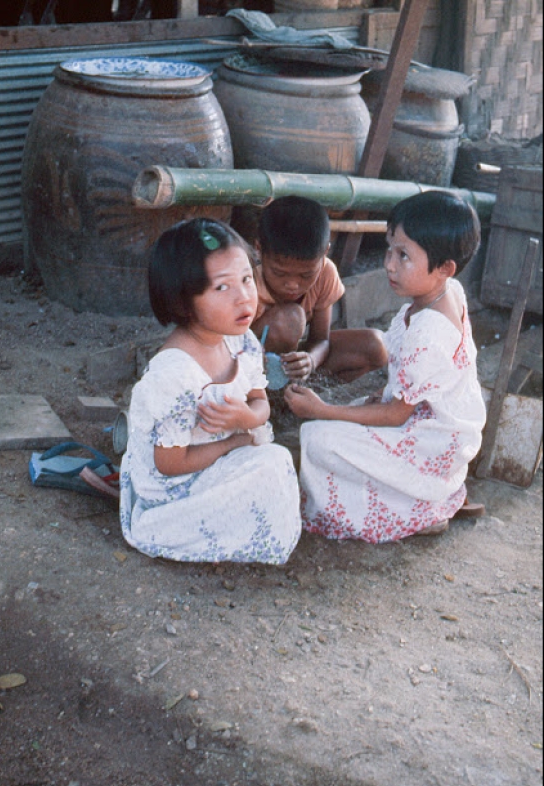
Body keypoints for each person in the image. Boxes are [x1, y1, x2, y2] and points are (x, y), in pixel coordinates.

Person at [284, 191, 487, 543]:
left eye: (404, 256)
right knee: (338, 418)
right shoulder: (447, 291)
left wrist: (322, 408)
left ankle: (416, 507)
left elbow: (396, 415)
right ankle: (423, 494)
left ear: (444, 269)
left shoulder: (430, 330)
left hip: (429, 445)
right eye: (390, 249)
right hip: (438, 430)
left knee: (316, 436)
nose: (389, 264)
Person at [119, 218, 301, 563]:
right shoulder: (174, 373)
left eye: (247, 279)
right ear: (183, 301)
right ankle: (167, 527)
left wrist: (248, 417)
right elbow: (170, 463)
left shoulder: (240, 340)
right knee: (273, 464)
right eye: (222, 288)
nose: (243, 297)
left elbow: (261, 404)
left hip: (221, 458)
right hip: (175, 488)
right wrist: (234, 442)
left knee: (274, 464)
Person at [251, 196, 387, 384]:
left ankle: (294, 391)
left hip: (293, 364)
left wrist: (310, 361)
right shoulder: (247, 282)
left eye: (306, 275)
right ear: (259, 249)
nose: (293, 284)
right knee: (291, 318)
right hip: (251, 365)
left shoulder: (326, 271)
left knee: (377, 345)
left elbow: (321, 340)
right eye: (279, 273)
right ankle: (270, 394)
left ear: (325, 253)